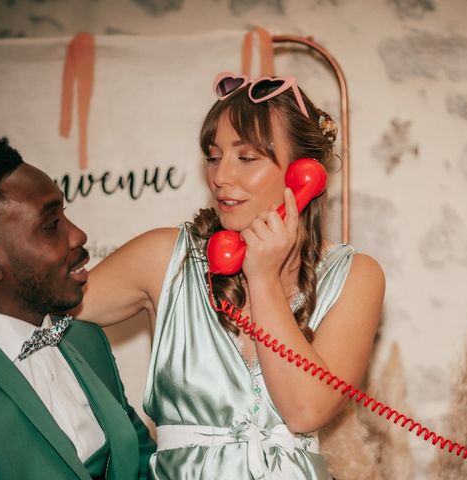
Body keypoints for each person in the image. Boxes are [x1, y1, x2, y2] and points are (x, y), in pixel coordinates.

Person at [73, 72, 385, 479]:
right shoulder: (165, 257)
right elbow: (34, 311)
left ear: (305, 173)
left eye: (247, 157)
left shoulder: (357, 276)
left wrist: (262, 276)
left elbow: (306, 409)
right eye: (213, 155)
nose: (221, 177)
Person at [0, 138, 156, 480]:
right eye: (51, 225)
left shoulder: (86, 338)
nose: (78, 235)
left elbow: (140, 459)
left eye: (65, 215)